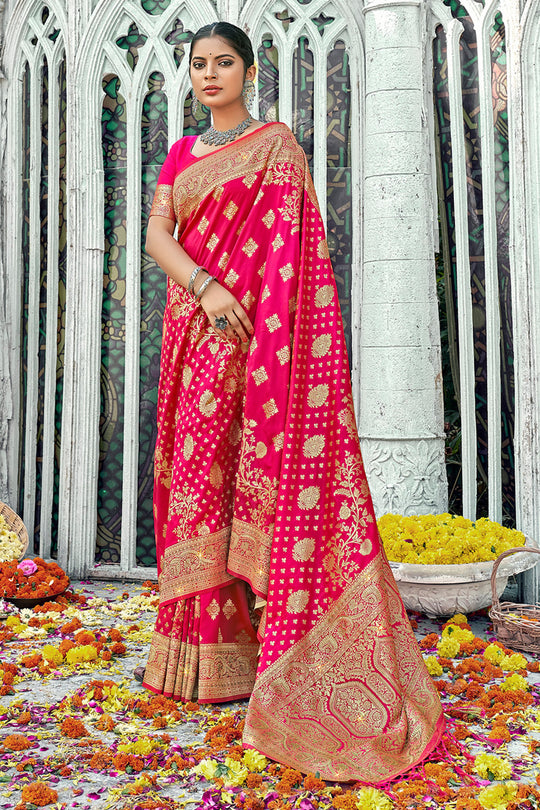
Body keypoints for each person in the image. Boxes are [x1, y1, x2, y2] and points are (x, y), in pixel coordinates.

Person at [139, 21, 445, 782]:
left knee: (258, 489)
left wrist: (251, 324)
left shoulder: (277, 147)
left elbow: (296, 252)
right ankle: (204, 662)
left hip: (264, 349)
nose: (210, 75)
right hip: (197, 339)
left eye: (223, 63)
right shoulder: (182, 154)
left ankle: (273, 658)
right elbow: (156, 237)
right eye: (199, 65)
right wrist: (206, 289)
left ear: (248, 71)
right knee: (198, 489)